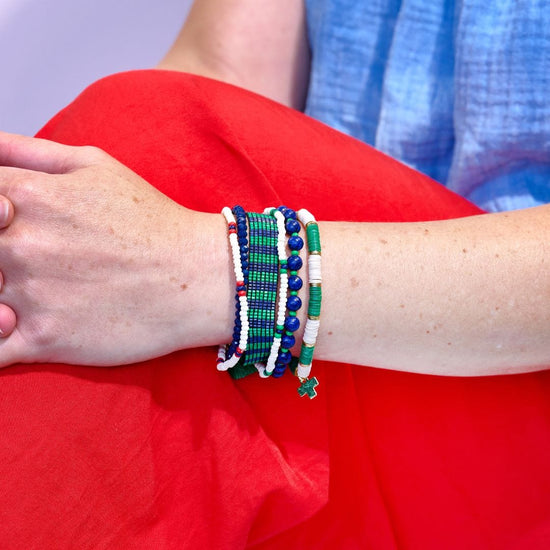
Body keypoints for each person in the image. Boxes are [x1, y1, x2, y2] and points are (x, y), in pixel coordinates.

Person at [0, 1, 549, 548]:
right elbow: (221, 75)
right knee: (114, 181)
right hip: (329, 361)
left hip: (519, 393)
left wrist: (211, 268)